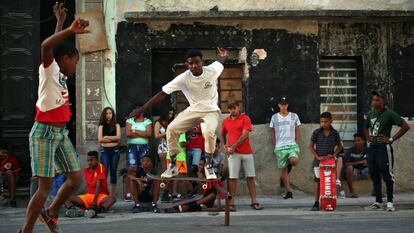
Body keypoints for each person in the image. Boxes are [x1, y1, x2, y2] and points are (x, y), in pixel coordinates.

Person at [19, 3, 89, 232]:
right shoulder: (49, 69)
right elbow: (46, 46)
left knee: (76, 179)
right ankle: (26, 229)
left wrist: (59, 21)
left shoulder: (59, 72)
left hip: (60, 133)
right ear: (66, 58)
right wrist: (69, 29)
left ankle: (51, 212)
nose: (75, 68)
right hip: (44, 133)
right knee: (44, 187)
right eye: (75, 62)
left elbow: (54, 45)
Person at [130, 48, 229, 179]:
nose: (194, 66)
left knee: (209, 132)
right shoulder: (183, 78)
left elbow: (220, 62)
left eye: (197, 62)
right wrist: (143, 108)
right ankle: (173, 165)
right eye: (191, 64)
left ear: (202, 62)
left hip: (211, 110)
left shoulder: (212, 70)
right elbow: (162, 93)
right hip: (193, 110)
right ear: (187, 65)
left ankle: (209, 166)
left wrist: (223, 56)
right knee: (171, 129)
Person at [364, 90, 410, 212]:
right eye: (373, 99)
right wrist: (368, 138)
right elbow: (365, 126)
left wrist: (390, 139)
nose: (374, 102)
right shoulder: (370, 114)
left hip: (383, 148)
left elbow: (405, 126)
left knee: (387, 174)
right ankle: (378, 201)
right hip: (372, 148)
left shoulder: (389, 114)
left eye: (377, 100)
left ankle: (389, 202)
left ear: (383, 101)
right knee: (374, 174)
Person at [221, 102, 263, 211]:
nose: (232, 111)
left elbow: (245, 135)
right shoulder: (226, 121)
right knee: (233, 178)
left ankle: (254, 201)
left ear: (238, 107)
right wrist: (224, 145)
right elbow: (222, 133)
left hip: (246, 152)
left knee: (250, 177)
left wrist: (234, 145)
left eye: (234, 108)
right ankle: (232, 202)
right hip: (233, 153)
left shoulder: (245, 118)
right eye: (230, 109)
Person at [308, 112, 343, 211]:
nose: (324, 123)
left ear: (331, 121)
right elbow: (310, 146)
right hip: (318, 161)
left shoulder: (335, 133)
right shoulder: (316, 132)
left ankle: (328, 202)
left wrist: (334, 155)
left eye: (326, 121)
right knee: (318, 180)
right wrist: (317, 157)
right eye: (322, 121)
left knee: (328, 181)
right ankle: (316, 202)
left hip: (330, 162)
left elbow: (340, 146)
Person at [64, 151, 116, 218]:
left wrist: (94, 201)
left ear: (97, 160)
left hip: (100, 196)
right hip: (89, 196)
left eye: (92, 160)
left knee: (112, 199)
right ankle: (75, 210)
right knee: (64, 197)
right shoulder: (85, 169)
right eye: (88, 160)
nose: (89, 162)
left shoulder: (100, 167)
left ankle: (96, 211)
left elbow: (98, 184)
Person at [269, 97, 301, 199]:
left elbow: (297, 130)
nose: (283, 106)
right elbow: (273, 132)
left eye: (285, 104)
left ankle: (289, 163)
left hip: (292, 145)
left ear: (287, 105)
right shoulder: (274, 117)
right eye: (281, 104)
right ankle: (289, 191)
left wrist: (296, 143)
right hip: (280, 147)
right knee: (283, 170)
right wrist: (274, 146)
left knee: (294, 161)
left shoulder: (294, 116)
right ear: (279, 105)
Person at [124, 104, 152, 202]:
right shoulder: (129, 121)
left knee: (144, 168)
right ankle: (128, 193)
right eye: (134, 110)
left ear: (142, 111)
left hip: (144, 147)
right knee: (131, 169)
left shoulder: (147, 121)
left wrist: (134, 131)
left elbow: (148, 134)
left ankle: (144, 190)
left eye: (137, 110)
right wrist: (141, 133)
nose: (135, 112)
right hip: (132, 147)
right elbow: (128, 133)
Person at [97, 107, 121, 197]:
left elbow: (118, 137)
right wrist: (112, 140)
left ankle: (112, 195)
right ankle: (103, 194)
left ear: (112, 114)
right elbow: (100, 139)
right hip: (104, 151)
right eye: (106, 113)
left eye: (110, 113)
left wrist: (106, 137)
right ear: (104, 115)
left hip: (115, 151)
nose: (108, 115)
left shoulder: (116, 125)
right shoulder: (101, 126)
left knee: (113, 171)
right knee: (104, 172)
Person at [343, 133, 369, 198]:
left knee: (378, 166)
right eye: (355, 141)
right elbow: (346, 164)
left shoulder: (368, 150)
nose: (356, 142)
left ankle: (376, 191)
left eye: (358, 140)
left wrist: (368, 162)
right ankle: (352, 192)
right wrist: (359, 162)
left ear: (363, 141)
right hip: (355, 171)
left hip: (366, 170)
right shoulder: (350, 150)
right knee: (349, 167)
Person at [166, 134, 191, 199]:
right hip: (179, 157)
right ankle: (176, 192)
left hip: (170, 156)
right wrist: (188, 142)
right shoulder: (181, 132)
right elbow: (182, 144)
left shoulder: (172, 131)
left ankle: (167, 193)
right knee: (181, 175)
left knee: (170, 175)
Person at [154, 107, 175, 173]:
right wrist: (166, 132)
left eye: (172, 114)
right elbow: (156, 135)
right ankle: (165, 182)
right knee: (165, 168)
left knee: (172, 168)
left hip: (172, 145)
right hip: (163, 146)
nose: (170, 115)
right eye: (169, 113)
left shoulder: (172, 122)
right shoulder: (158, 122)